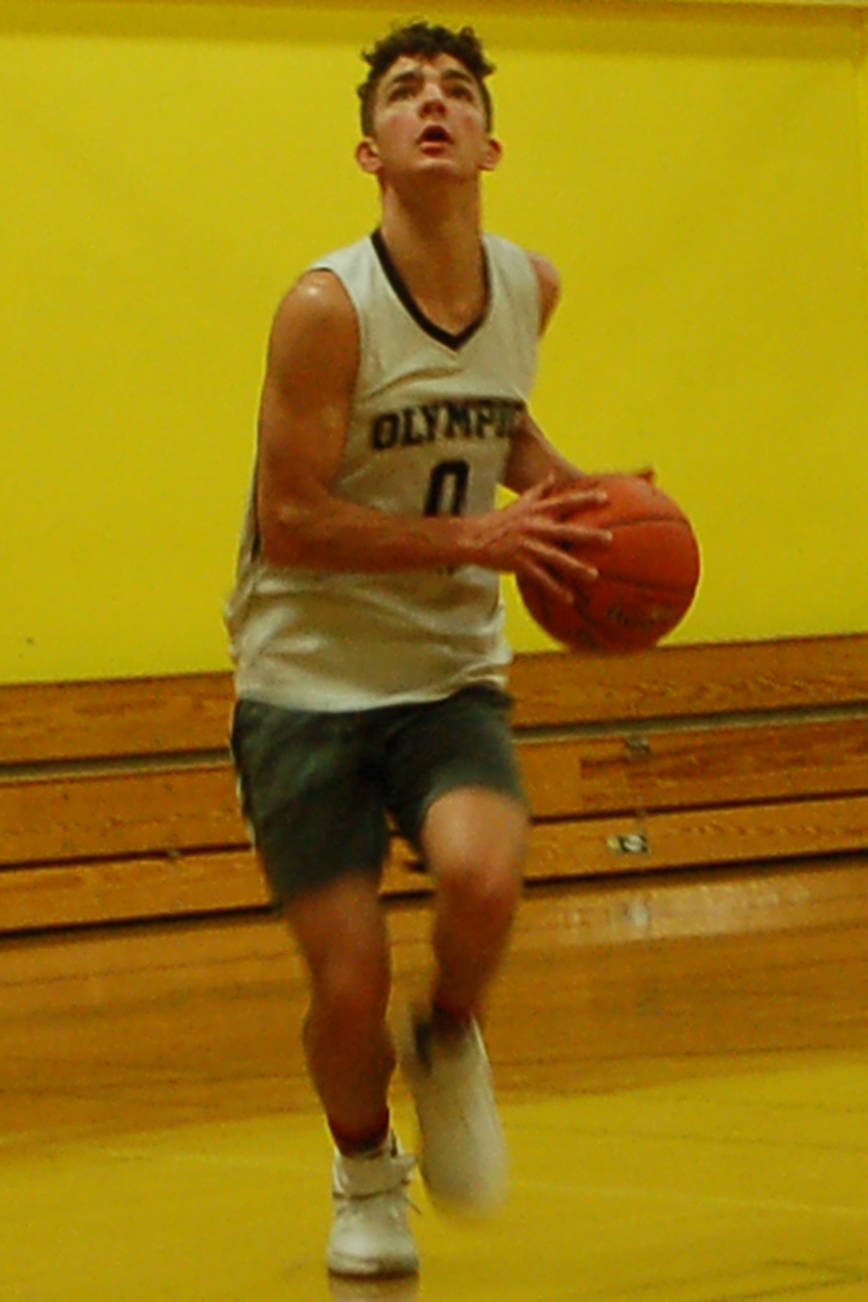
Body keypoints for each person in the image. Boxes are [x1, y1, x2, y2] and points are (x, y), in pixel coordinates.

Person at [226, 20, 613, 1279]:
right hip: (307, 678)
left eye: (455, 90)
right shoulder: (324, 308)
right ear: (370, 150)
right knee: (346, 984)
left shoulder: (528, 286)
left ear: (490, 141)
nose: (432, 103)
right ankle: (362, 1168)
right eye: (405, 93)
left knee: (485, 879)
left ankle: (449, 1041)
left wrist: (576, 500)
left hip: (445, 665)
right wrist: (484, 536)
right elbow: (290, 523)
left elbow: (493, 419)